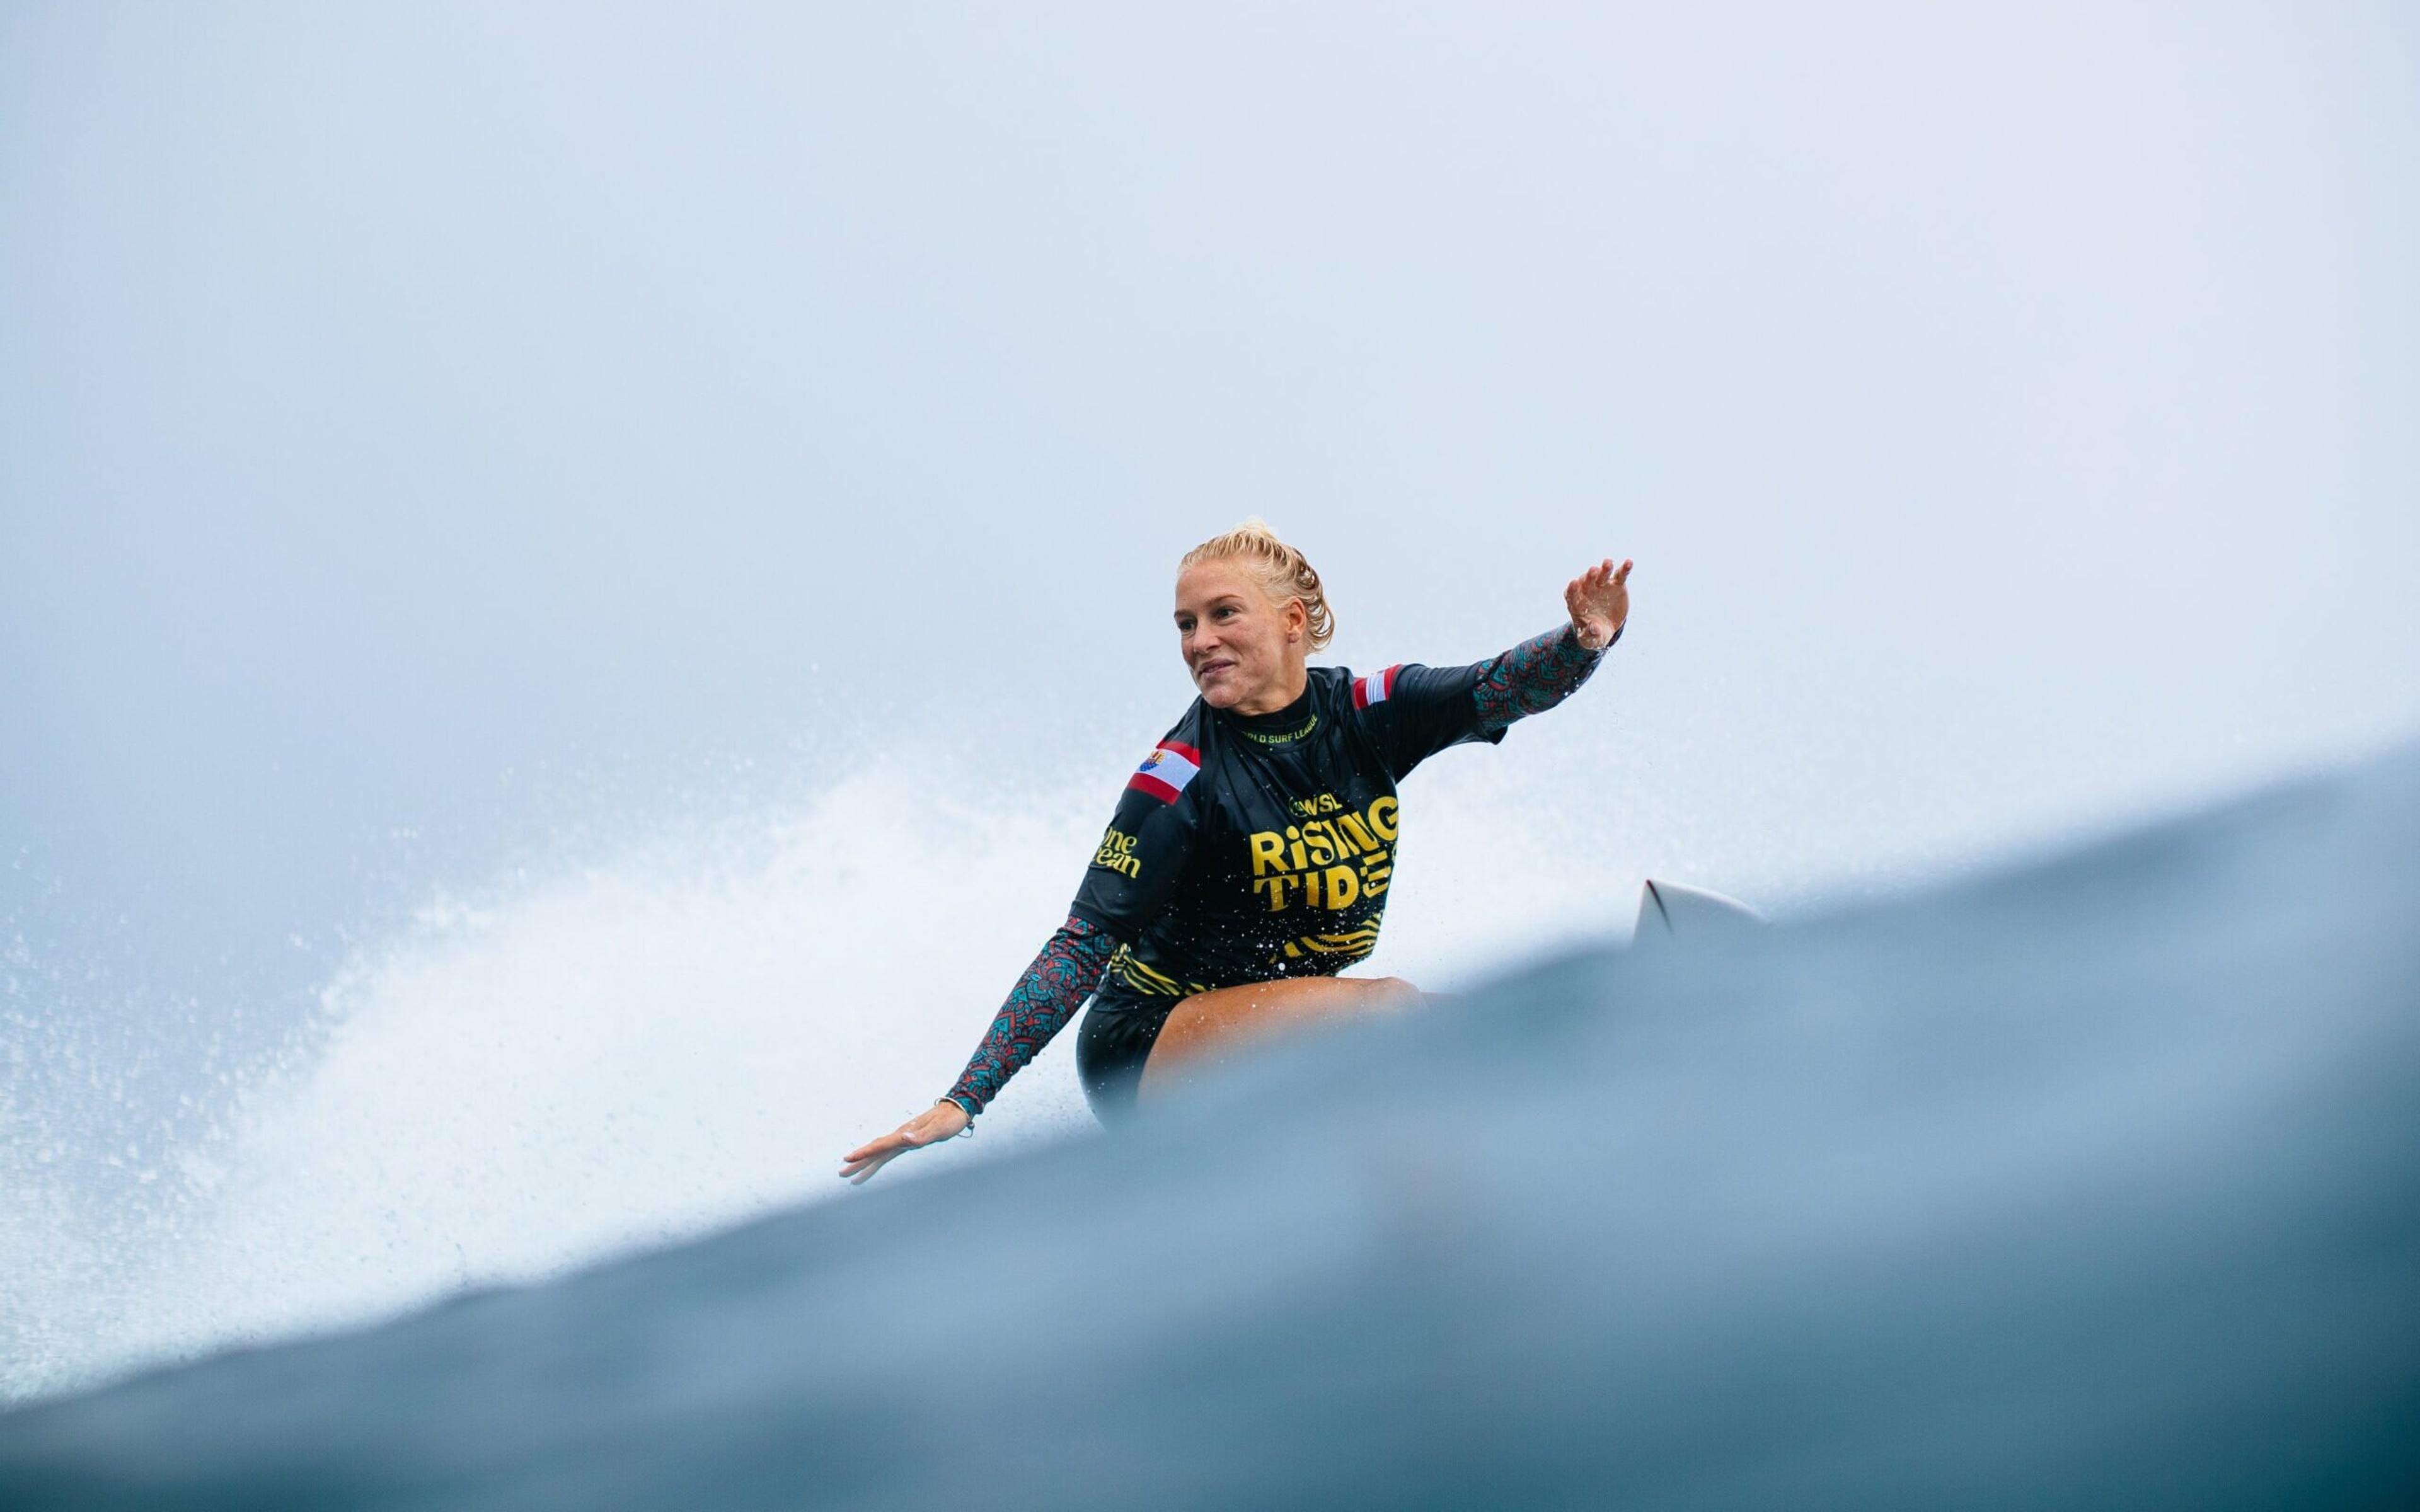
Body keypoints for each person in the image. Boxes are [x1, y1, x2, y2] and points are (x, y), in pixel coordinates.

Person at [840, 522, 1631, 1183]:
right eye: (1186, 625)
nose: (1200, 641)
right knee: (1391, 1012)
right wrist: (964, 1100)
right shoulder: (1178, 781)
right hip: (1147, 1048)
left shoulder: (1366, 713)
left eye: (1223, 615)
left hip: (1275, 1025)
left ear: (1293, 620)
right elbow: (1084, 943)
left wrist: (1583, 642)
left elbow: (1498, 689)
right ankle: (1591, 1068)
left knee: (1408, 1126)